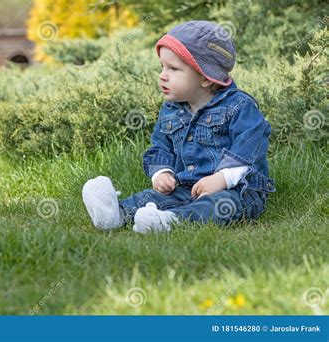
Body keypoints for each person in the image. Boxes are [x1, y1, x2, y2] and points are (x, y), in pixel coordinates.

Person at [82, 20, 276, 233]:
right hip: (186, 187)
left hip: (237, 189)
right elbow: (160, 146)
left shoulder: (239, 106)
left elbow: (250, 145)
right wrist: (161, 173)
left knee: (218, 206)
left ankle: (171, 221)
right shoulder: (172, 109)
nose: (162, 75)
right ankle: (115, 215)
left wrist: (222, 179)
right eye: (162, 66)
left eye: (173, 69)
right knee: (152, 197)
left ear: (205, 77)